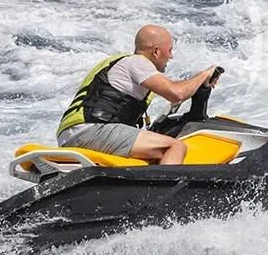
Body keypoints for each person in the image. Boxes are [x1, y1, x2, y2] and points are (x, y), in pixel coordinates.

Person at [56, 25, 219, 165]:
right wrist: (204, 74)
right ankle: (163, 192)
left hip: (75, 134)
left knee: (155, 148)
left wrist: (201, 87)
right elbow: (177, 93)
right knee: (174, 147)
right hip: (90, 132)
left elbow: (179, 88)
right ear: (156, 51)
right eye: (169, 50)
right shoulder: (137, 62)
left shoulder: (126, 66)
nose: (171, 56)